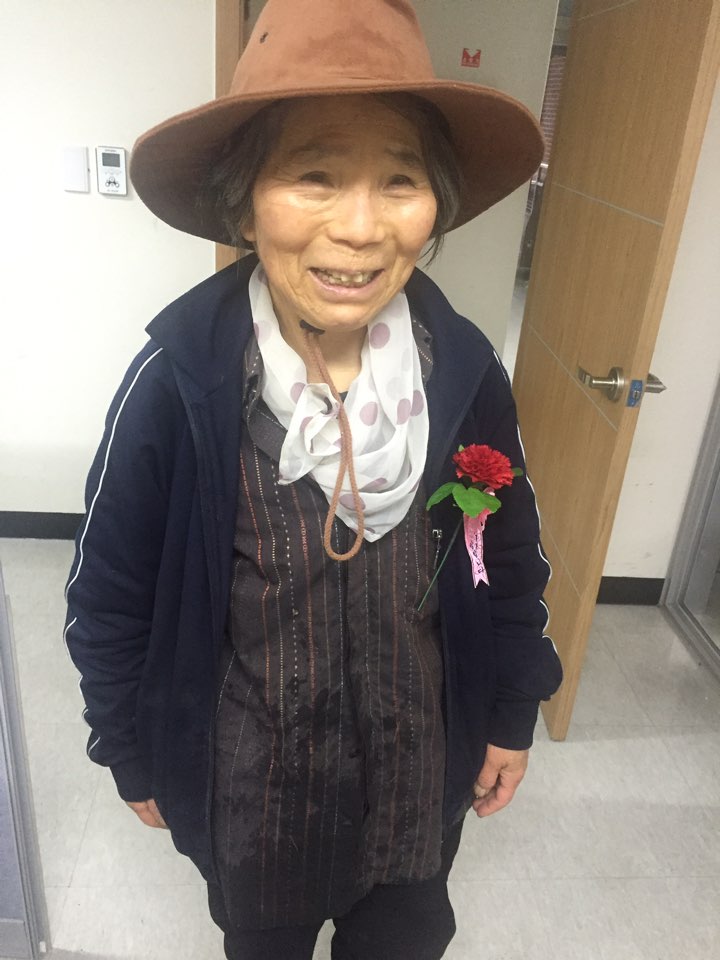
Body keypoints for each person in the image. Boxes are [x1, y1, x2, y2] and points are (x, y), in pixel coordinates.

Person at [64, 1, 563, 958]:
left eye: (400, 179)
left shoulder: (462, 372)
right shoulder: (180, 380)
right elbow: (109, 594)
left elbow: (503, 558)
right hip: (254, 799)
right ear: (244, 199)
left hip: (417, 789)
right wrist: (129, 748)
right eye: (314, 175)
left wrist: (511, 711)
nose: (361, 228)